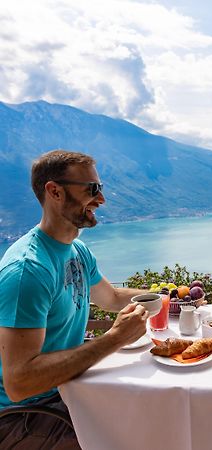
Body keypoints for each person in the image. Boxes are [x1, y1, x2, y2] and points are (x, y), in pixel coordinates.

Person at [0, 150, 152, 449]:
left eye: (100, 189)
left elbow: (111, 297)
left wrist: (169, 299)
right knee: (132, 438)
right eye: (91, 190)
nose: (101, 200)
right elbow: (20, 383)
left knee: (151, 416)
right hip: (24, 416)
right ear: (54, 191)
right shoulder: (28, 271)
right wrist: (114, 339)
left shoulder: (77, 251)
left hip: (67, 391)